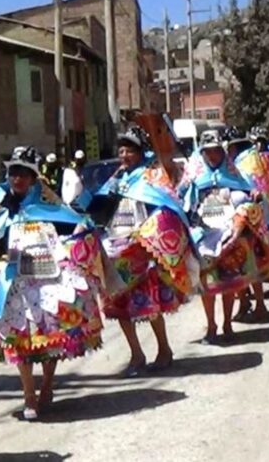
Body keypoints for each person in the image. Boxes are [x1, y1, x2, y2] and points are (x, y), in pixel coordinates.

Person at [0, 145, 110, 419]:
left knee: (50, 338)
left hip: (46, 283)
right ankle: (29, 394)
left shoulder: (50, 208)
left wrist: (74, 246)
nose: (17, 179)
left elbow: (78, 231)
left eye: (23, 174)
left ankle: (46, 384)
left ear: (34, 178)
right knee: (19, 341)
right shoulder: (0, 208)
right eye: (13, 173)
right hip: (14, 285)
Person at [98, 127, 199, 377]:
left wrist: (146, 235)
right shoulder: (117, 179)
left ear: (140, 152)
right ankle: (136, 355)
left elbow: (167, 209)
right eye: (121, 150)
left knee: (149, 306)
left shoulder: (152, 177)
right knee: (118, 305)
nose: (124, 155)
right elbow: (100, 209)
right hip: (116, 250)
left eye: (129, 150)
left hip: (142, 251)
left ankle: (164, 350)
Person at [179, 130, 269, 344]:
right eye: (208, 152)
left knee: (229, 281)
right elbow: (181, 200)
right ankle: (212, 326)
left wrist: (253, 197)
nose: (212, 156)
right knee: (207, 284)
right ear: (201, 153)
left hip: (230, 235)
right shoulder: (194, 176)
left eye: (216, 151)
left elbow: (250, 194)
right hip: (202, 236)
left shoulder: (235, 174)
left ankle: (227, 325)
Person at [228, 128, 269, 321]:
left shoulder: (243, 164)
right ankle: (248, 302)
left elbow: (250, 191)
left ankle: (259, 304)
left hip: (251, 220)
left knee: (249, 263)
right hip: (264, 218)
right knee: (253, 261)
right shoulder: (260, 159)